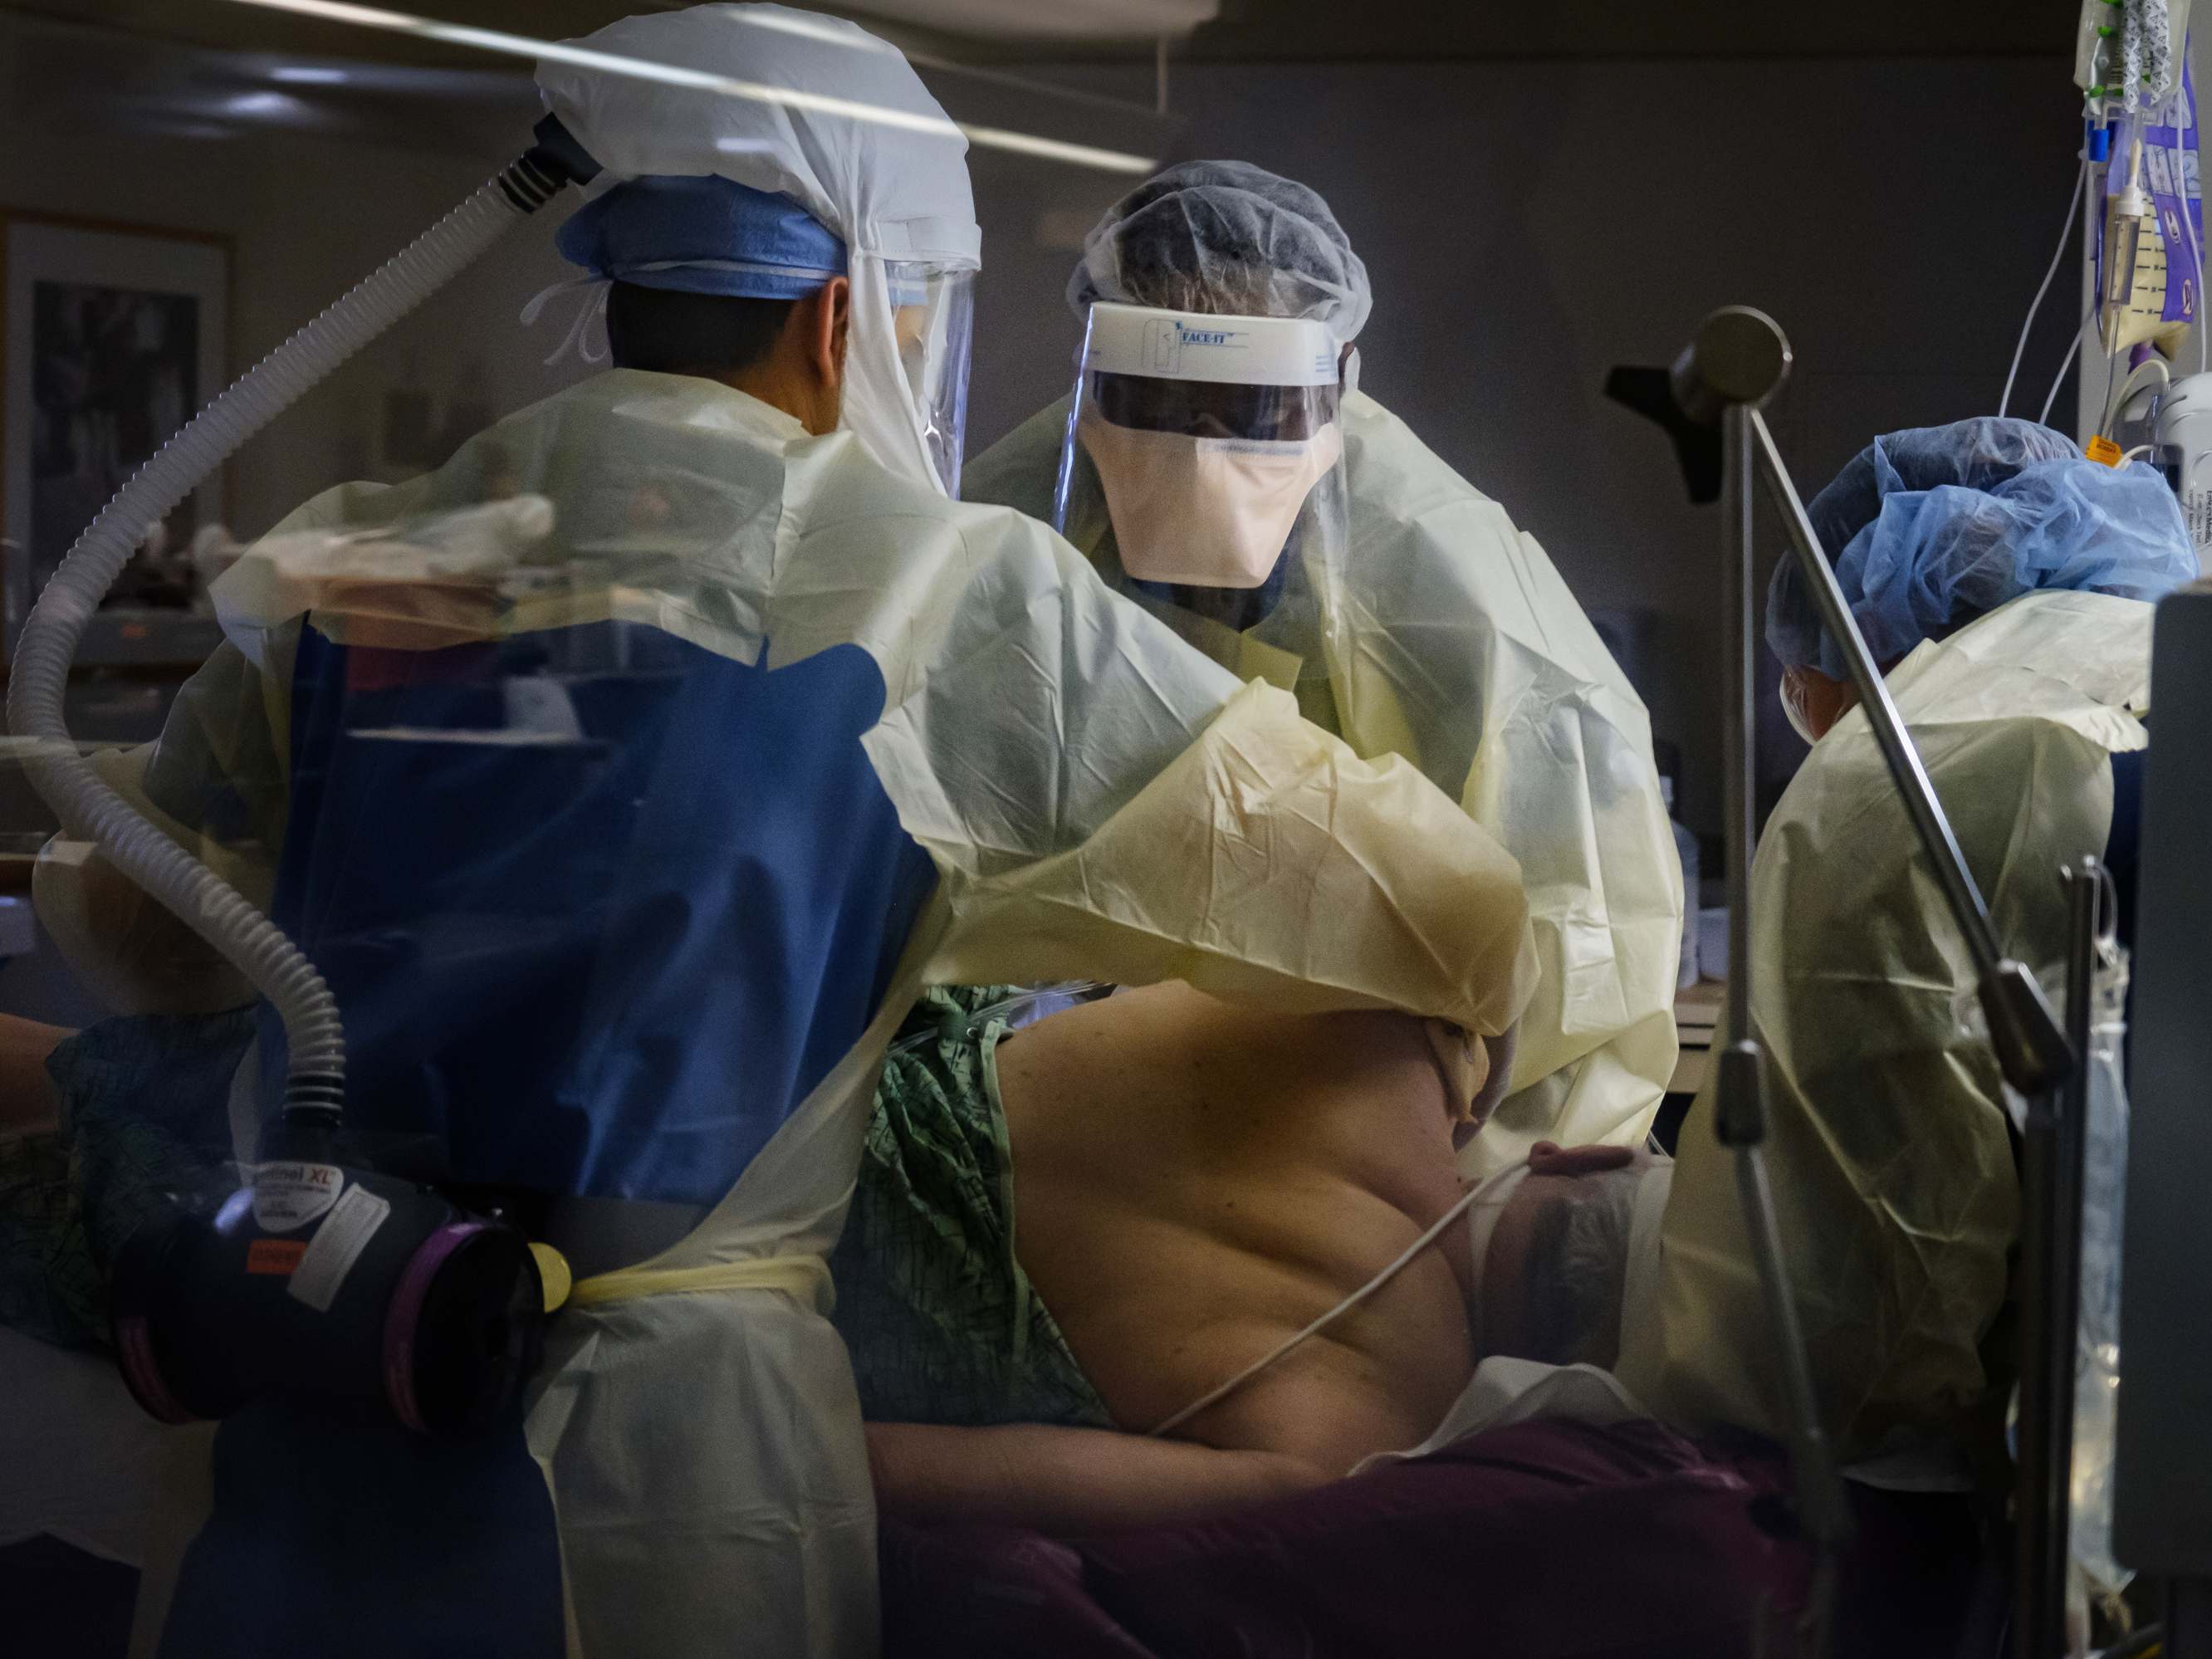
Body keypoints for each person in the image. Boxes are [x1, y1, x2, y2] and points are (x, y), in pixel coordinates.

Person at [15, 10, 1539, 1657]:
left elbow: (142, 922)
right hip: (662, 1455)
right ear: (843, 312)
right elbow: (1434, 902)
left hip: (307, 1388)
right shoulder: (943, 592)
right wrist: (1000, 925)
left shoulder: (362, 553)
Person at [962, 161, 1682, 1175]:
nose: (1202, 445)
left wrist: (1469, 1215)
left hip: (1368, 1141)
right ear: (1096, 375)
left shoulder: (1457, 598)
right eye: (1160, 402)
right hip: (1072, 1116)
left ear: (1337, 376)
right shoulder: (1018, 525)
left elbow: (1578, 949)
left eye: (1248, 412)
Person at [1618, 418, 2197, 1471]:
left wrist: (1616, 1245)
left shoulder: (1896, 782)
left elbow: (1836, 1355)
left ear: (1861, 633)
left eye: (1802, 694)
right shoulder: (2166, 669)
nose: (1809, 725)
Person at [830, 981, 1669, 1534]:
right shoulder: (1346, 1457)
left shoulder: (1389, 1017)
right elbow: (886, 1470)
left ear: (1575, 1155)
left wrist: (1474, 1025)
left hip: (810, 1047)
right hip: (773, 1285)